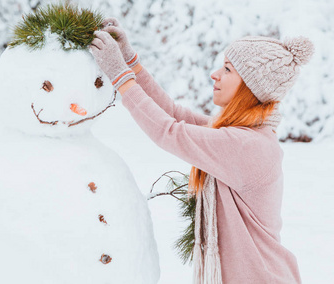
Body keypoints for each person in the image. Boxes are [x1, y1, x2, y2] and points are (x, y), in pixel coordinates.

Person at [90, 17, 314, 284]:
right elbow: (174, 115)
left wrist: (121, 77)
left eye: (228, 70)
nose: (215, 74)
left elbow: (169, 131)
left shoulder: (245, 146)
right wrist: (130, 63)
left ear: (250, 89)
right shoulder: (245, 135)